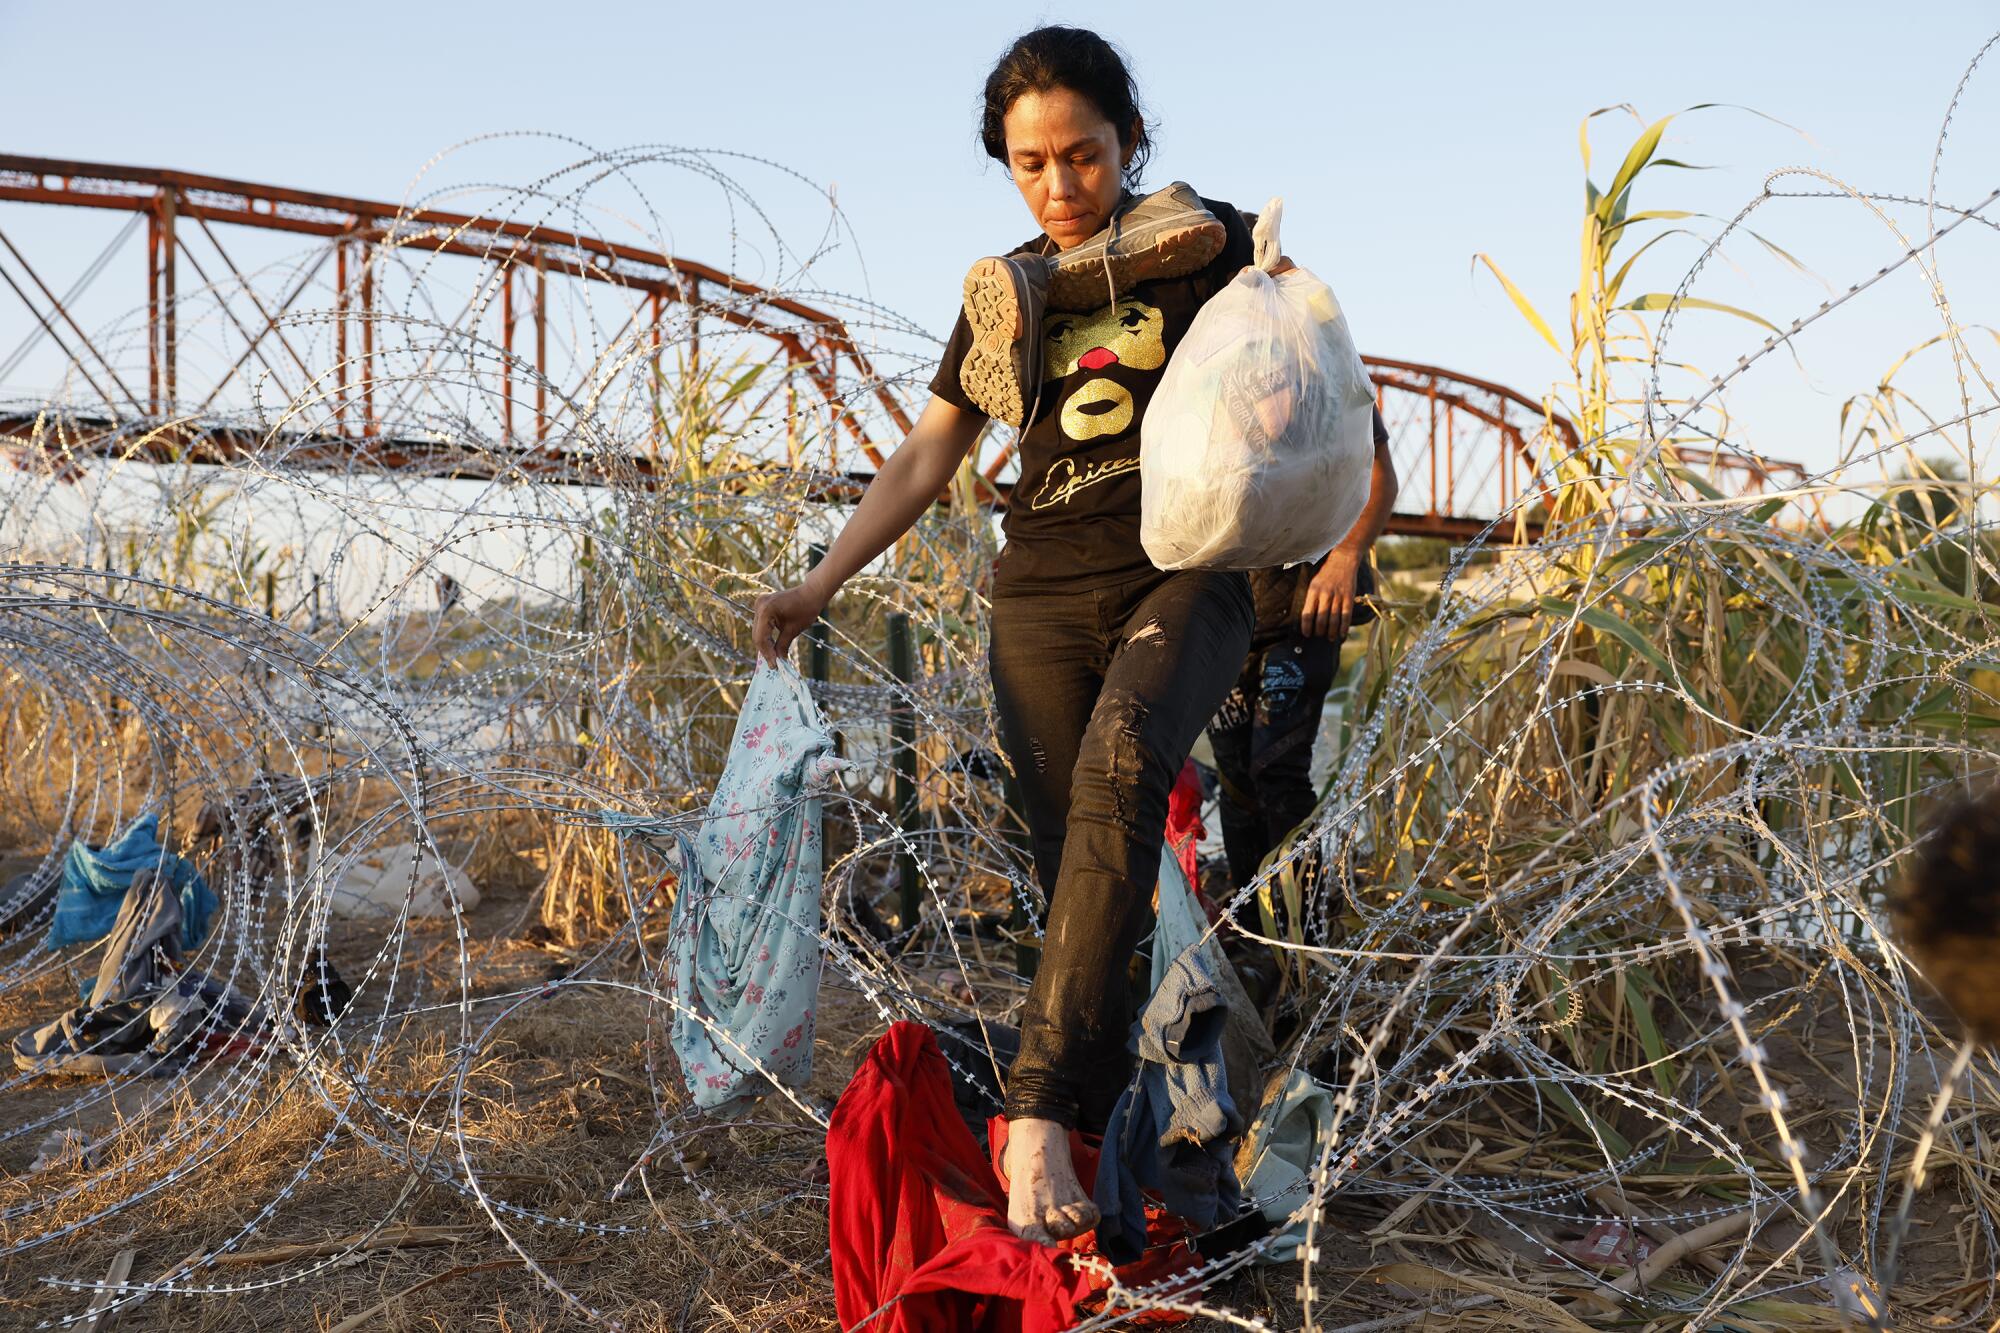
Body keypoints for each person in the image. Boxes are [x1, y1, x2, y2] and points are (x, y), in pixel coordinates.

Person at [754, 25, 1330, 1246]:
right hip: (1040, 593)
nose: (1060, 187)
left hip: (1189, 573)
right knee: (1082, 861)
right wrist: (817, 583)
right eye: (1029, 163)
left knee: (1128, 768)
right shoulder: (1006, 295)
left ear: (1129, 142)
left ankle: (1029, 1119)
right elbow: (925, 455)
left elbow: (1306, 379)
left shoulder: (1207, 244)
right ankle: (1105, 1135)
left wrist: (1304, 450)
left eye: (1082, 154)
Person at [1208, 408, 1398, 903]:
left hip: (1306, 605)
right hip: (1222, 604)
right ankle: (1253, 933)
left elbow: (1379, 475)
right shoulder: (1207, 361)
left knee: (1277, 768)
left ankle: (1302, 934)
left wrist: (1345, 558)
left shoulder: (1323, 366)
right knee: (1233, 775)